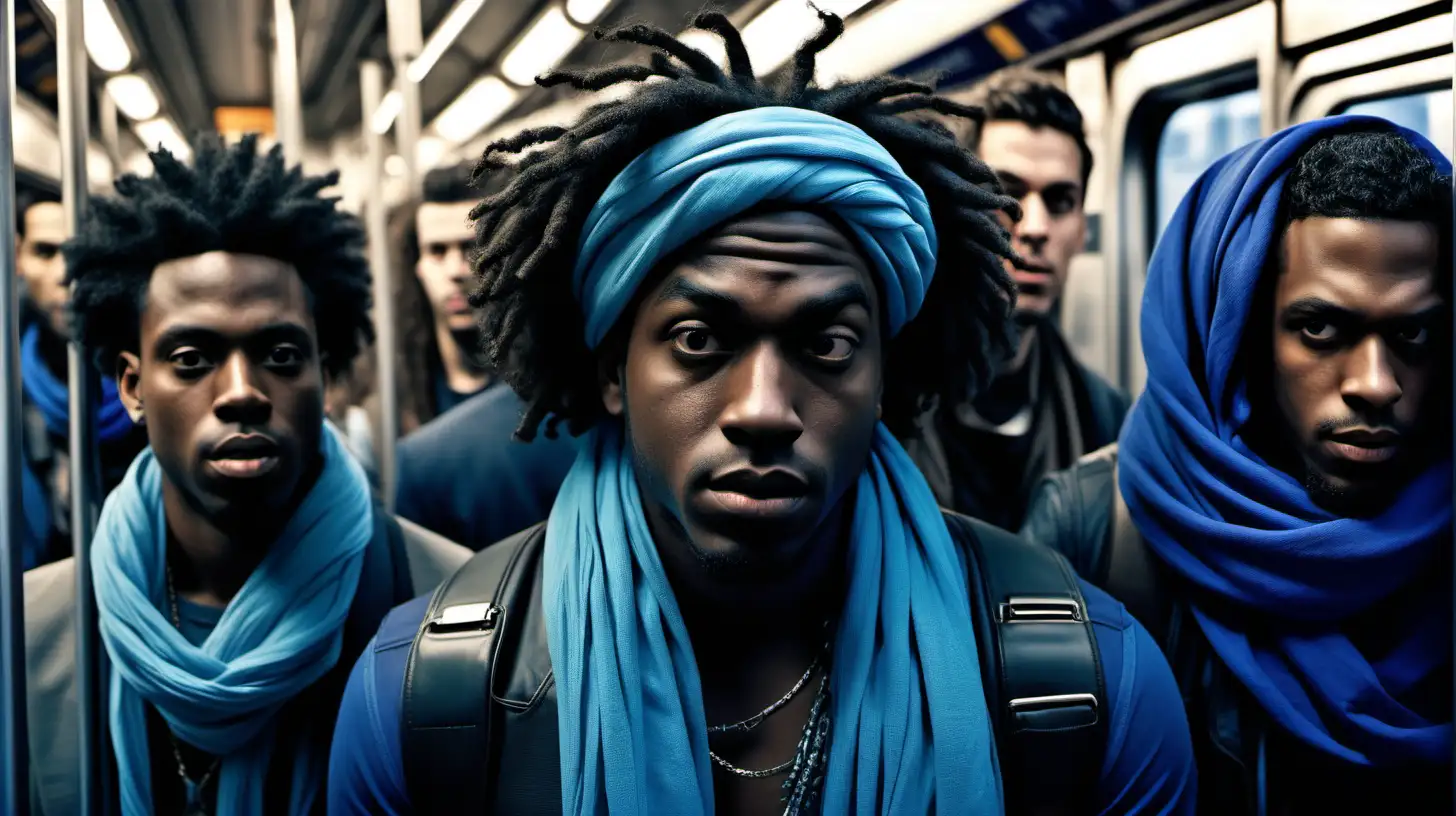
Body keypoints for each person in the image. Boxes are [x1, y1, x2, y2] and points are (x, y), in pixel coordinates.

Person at [329, 12, 1194, 815]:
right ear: (611, 371)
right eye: (701, 340)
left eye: (826, 347)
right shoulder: (428, 696)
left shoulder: (1091, 685)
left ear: (887, 378)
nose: (764, 408)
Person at [22, 134, 471, 816]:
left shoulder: (448, 606)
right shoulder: (34, 631)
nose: (240, 391)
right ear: (133, 388)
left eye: (282, 353)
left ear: (325, 375)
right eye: (193, 357)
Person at [1020, 119, 1452, 814]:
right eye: (1320, 328)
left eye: (1414, 334)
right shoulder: (1092, 532)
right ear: (1243, 331)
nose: (1376, 382)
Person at [903, 68, 1127, 530]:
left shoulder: (1107, 420)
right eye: (1006, 192)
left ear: (1083, 229)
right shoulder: (885, 399)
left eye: (1061, 201)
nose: (1036, 228)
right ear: (956, 207)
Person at [15, 186, 147, 568]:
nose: (65, 274)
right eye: (45, 251)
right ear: (17, 255)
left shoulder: (155, 367)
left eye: (81, 253)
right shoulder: (10, 373)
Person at [387, 162, 494, 436]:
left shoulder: (542, 393)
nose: (455, 271)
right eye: (437, 251)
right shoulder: (393, 404)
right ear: (417, 265)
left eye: (472, 247)